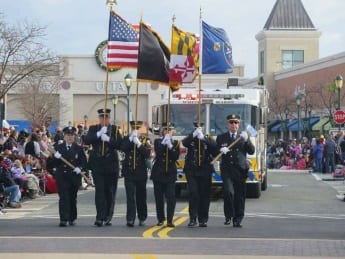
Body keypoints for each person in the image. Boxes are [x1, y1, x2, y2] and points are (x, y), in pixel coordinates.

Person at [84, 108, 123, 227]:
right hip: (98, 165)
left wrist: (109, 139)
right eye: (102, 117)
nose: (104, 119)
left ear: (109, 118)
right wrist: (98, 134)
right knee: (99, 191)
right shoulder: (93, 129)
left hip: (111, 164)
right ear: (99, 118)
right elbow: (86, 140)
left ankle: (108, 216)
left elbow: (120, 145)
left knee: (110, 192)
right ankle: (99, 217)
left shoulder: (115, 130)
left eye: (106, 117)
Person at [216, 114, 255, 228]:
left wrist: (247, 140)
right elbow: (215, 153)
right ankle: (229, 215)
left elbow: (251, 151)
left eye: (236, 123)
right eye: (231, 122)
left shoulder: (243, 137)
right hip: (227, 169)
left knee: (239, 195)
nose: (234, 125)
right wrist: (220, 150)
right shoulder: (221, 138)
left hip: (240, 170)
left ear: (238, 125)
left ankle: (238, 218)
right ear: (227, 124)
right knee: (229, 192)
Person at [182, 121, 217, 227]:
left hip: (205, 170)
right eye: (197, 127)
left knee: (204, 195)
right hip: (192, 169)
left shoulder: (207, 138)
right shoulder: (191, 137)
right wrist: (194, 135)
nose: (198, 128)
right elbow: (185, 143)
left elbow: (214, 148)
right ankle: (193, 218)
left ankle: (203, 219)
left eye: (200, 127)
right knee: (193, 193)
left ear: (203, 127)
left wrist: (204, 139)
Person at [52, 126, 87, 227]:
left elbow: (84, 162)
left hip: (73, 176)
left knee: (72, 197)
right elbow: (51, 164)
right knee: (63, 198)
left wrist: (80, 168)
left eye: (72, 135)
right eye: (68, 135)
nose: (70, 137)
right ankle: (63, 219)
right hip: (62, 176)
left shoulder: (79, 148)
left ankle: (72, 218)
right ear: (64, 136)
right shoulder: (58, 148)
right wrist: (56, 157)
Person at [121, 121, 151, 227]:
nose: (135, 131)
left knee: (141, 196)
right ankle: (130, 218)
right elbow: (123, 148)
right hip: (129, 172)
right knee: (130, 196)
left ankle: (142, 217)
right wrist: (130, 139)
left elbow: (147, 154)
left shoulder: (145, 140)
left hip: (140, 172)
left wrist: (138, 143)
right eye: (133, 129)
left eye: (137, 129)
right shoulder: (126, 139)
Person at [150, 123, 180, 227]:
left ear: (173, 131)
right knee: (159, 198)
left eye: (170, 130)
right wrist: (164, 143)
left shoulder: (175, 143)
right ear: (162, 131)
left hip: (170, 173)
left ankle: (170, 219)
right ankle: (160, 218)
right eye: (165, 130)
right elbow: (158, 152)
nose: (167, 132)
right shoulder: (158, 141)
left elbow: (176, 156)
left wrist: (170, 146)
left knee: (171, 197)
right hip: (158, 172)